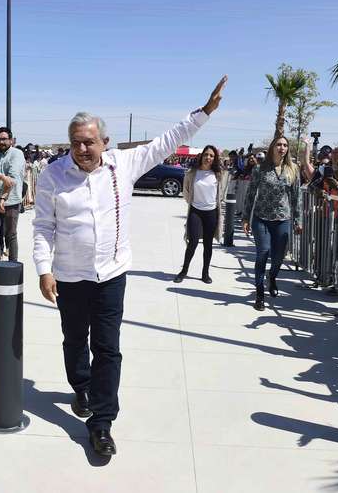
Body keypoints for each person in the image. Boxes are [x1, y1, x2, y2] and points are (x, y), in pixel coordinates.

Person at [32, 76, 226, 457]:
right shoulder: (53, 175)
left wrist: (203, 113)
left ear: (105, 141)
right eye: (75, 143)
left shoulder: (124, 164)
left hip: (111, 275)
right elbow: (43, 226)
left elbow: (167, 140)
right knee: (75, 341)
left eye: (89, 142)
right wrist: (44, 268)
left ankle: (101, 423)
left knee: (108, 348)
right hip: (69, 277)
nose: (82, 149)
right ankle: (81, 386)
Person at [242, 136, 302, 311]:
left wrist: (298, 220)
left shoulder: (293, 170)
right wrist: (246, 218)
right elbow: (250, 194)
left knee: (278, 257)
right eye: (278, 145)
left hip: (282, 219)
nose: (282, 148)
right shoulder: (260, 169)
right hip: (261, 218)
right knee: (263, 252)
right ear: (272, 148)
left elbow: (296, 197)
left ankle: (272, 277)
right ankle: (259, 293)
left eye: (285, 145)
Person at [173, 145, 229, 284]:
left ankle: (205, 273)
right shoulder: (192, 172)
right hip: (195, 211)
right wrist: (191, 202)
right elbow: (186, 191)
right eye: (206, 155)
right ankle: (184, 271)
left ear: (214, 158)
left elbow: (221, 192)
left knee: (208, 244)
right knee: (192, 242)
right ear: (201, 156)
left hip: (211, 213)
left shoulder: (218, 174)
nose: (208, 158)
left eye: (211, 155)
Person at [0, 127, 25, 282]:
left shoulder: (17, 154)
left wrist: (3, 199)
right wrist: (1, 176)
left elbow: (12, 179)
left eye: (4, 139)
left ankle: (13, 268)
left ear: (11, 140)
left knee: (10, 234)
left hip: (12, 201)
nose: (1, 141)